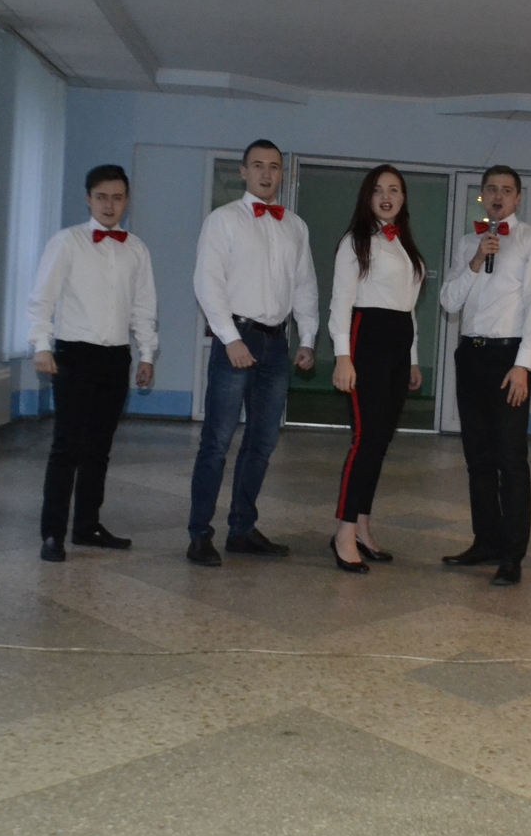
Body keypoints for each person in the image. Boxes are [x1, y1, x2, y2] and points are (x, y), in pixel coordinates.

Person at [186, 139, 319, 567]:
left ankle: (242, 529)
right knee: (217, 442)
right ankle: (199, 535)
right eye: (258, 165)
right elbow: (208, 283)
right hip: (236, 339)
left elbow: (304, 286)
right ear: (243, 171)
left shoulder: (295, 226)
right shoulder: (223, 220)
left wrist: (307, 338)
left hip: (276, 344)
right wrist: (230, 338)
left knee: (262, 443)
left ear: (283, 174)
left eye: (274, 166)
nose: (266, 173)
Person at [28, 164, 158, 563]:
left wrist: (147, 353)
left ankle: (87, 526)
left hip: (115, 357)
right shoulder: (66, 243)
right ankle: (53, 534)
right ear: (88, 199)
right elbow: (42, 299)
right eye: (102, 197)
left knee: (99, 449)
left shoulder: (137, 249)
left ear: (127, 201)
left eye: (117, 198)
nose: (109, 205)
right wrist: (41, 345)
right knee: (66, 446)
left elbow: (143, 307)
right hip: (73, 355)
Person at [437, 165, 531, 586]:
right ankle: (485, 539)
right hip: (471, 354)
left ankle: (513, 554)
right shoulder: (469, 242)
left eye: (506, 190)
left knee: (510, 459)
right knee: (477, 457)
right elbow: (449, 303)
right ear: (482, 196)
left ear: (518, 198)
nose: (498, 197)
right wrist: (475, 261)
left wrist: (524, 365)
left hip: (508, 357)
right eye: (491, 189)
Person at [328, 165, 426, 573]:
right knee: (365, 440)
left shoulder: (403, 243)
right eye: (379, 190)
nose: (387, 197)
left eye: (395, 190)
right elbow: (340, 301)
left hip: (398, 342)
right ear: (367, 197)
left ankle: (363, 528)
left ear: (403, 198)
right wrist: (342, 356)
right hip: (366, 339)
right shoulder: (355, 241)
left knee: (381, 441)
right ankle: (344, 532)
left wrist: (413, 358)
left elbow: (409, 307)